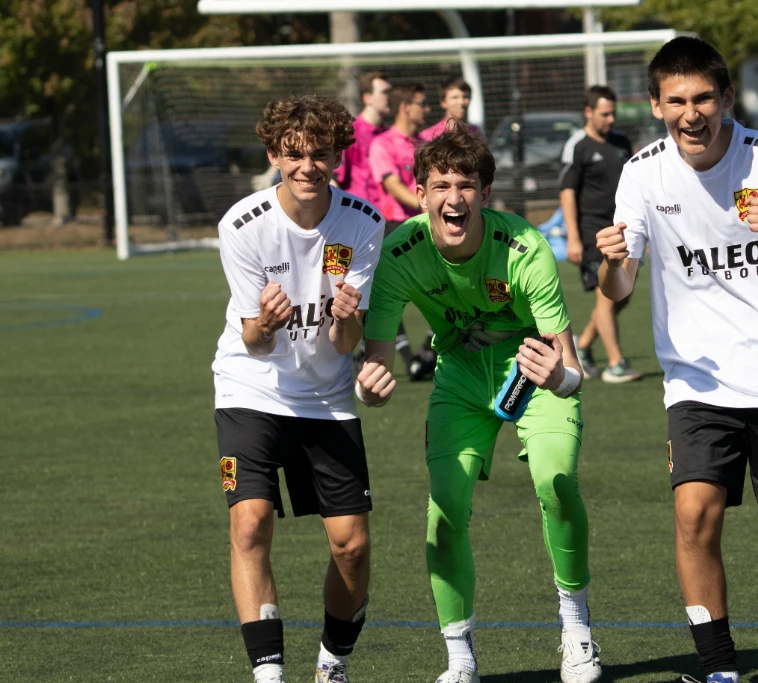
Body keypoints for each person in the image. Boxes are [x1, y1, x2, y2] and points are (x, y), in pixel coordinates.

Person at [596, 37, 758, 683]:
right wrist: (612, 262)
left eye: (703, 98)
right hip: (696, 377)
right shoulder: (641, 173)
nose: (690, 113)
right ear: (655, 105)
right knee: (694, 514)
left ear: (726, 98)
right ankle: (719, 669)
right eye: (676, 101)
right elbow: (617, 287)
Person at [357, 124, 602, 683]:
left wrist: (558, 378)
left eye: (466, 185)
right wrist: (368, 389)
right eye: (441, 186)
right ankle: (459, 656)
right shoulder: (399, 253)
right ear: (421, 194)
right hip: (461, 376)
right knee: (443, 512)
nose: (455, 198)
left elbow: (572, 372)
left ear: (485, 194)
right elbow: (375, 365)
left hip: (532, 368)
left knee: (556, 480)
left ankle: (576, 627)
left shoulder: (525, 246)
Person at [212, 93, 385, 683]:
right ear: (274, 156)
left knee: (351, 546)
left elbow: (344, 342)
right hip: (250, 385)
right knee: (250, 522)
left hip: (325, 395)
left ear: (338, 156)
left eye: (320, 154)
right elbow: (253, 341)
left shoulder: (363, 222)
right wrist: (266, 322)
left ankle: (332, 663)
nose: (308, 166)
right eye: (294, 154)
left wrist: (346, 317)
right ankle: (268, 674)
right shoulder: (242, 225)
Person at [559, 85, 640, 383]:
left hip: (624, 230)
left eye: (613, 113)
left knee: (623, 294)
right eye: (605, 114)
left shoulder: (621, 141)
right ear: (588, 112)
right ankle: (616, 364)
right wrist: (573, 236)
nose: (611, 119)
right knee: (606, 296)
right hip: (593, 233)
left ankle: (582, 345)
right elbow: (567, 192)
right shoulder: (577, 145)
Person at [368, 82, 436, 380]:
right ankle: (409, 359)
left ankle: (429, 351)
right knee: (386, 297)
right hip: (394, 227)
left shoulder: (426, 143)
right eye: (422, 103)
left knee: (447, 285)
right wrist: (427, 206)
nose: (427, 109)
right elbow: (392, 184)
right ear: (406, 107)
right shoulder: (382, 144)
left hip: (426, 225)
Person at [334, 70, 391, 208]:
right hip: (357, 212)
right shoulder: (351, 132)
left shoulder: (388, 134)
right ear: (367, 98)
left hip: (386, 214)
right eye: (385, 92)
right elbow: (335, 178)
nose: (390, 97)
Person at [419, 75, 484, 142]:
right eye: (455, 97)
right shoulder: (430, 136)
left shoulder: (475, 132)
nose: (461, 102)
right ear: (443, 102)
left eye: (465, 97)